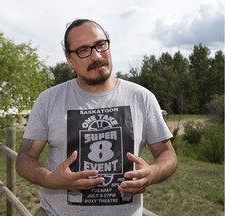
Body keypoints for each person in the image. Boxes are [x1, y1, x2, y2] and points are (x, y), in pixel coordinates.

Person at [16, 19, 178, 216]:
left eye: (101, 45)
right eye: (84, 49)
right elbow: (25, 159)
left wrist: (152, 173)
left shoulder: (141, 97)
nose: (97, 55)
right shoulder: (49, 100)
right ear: (69, 58)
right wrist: (50, 179)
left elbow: (167, 155)